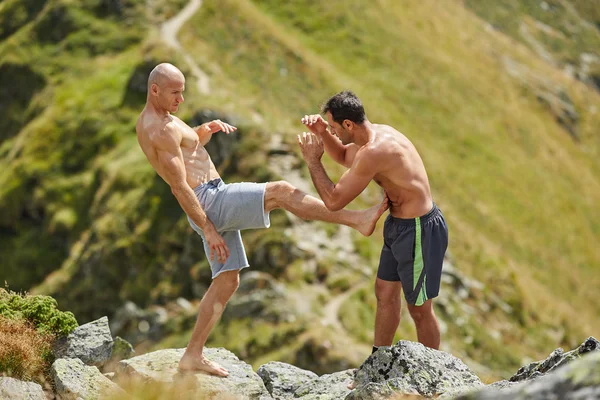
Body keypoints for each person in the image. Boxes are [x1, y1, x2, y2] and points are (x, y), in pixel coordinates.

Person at [135, 64, 389, 377]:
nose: (181, 99)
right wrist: (209, 229)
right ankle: (356, 220)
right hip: (208, 202)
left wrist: (204, 132)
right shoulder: (158, 130)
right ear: (155, 90)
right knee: (280, 192)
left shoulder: (165, 120)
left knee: (228, 280)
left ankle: (192, 354)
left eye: (183, 91)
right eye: (175, 93)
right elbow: (179, 186)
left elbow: (188, 150)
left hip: (211, 197)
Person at [299, 91, 448, 386]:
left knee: (419, 309)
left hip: (418, 229)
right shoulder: (373, 136)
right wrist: (321, 134)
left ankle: (435, 378)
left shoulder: (375, 151)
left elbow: (333, 201)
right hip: (398, 225)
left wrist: (313, 160)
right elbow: (342, 155)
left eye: (333, 128)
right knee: (384, 292)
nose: (332, 133)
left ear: (348, 125)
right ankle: (377, 365)